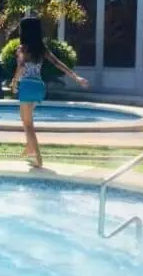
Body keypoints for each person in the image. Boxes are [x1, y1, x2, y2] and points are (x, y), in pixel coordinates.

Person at [11, 16, 88, 168]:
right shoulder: (42, 49)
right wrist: (76, 77)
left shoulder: (22, 49)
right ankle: (28, 148)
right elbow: (57, 63)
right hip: (39, 87)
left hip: (26, 86)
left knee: (27, 125)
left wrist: (14, 82)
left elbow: (21, 66)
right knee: (26, 119)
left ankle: (38, 157)